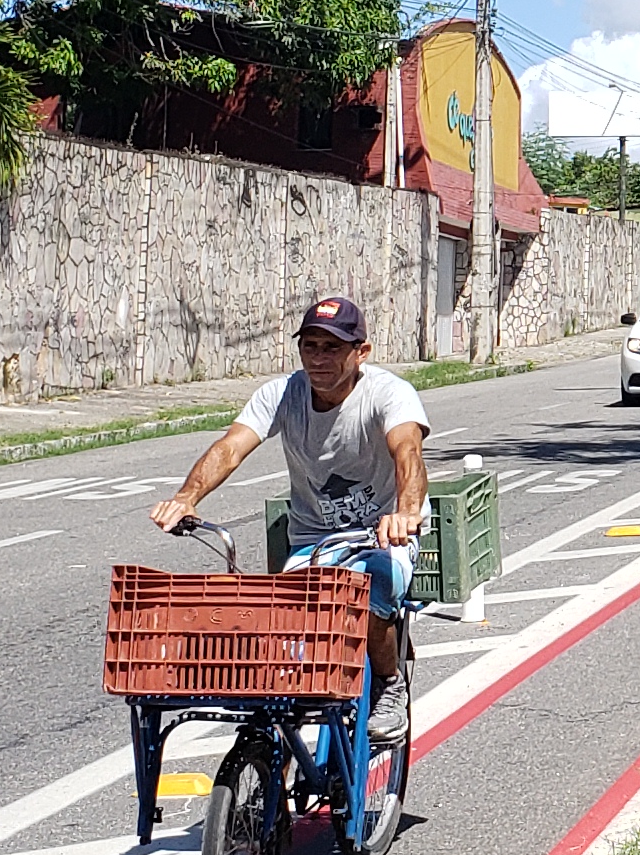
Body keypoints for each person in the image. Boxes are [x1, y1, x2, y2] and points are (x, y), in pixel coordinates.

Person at [149, 295, 430, 743]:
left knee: (376, 586)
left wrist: (406, 513)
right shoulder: (281, 394)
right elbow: (231, 447)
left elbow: (407, 452)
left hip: (383, 530)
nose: (319, 359)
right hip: (315, 535)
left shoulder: (388, 393)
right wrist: (186, 498)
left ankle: (388, 684)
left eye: (333, 348)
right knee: (288, 633)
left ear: (362, 352)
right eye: (310, 346)